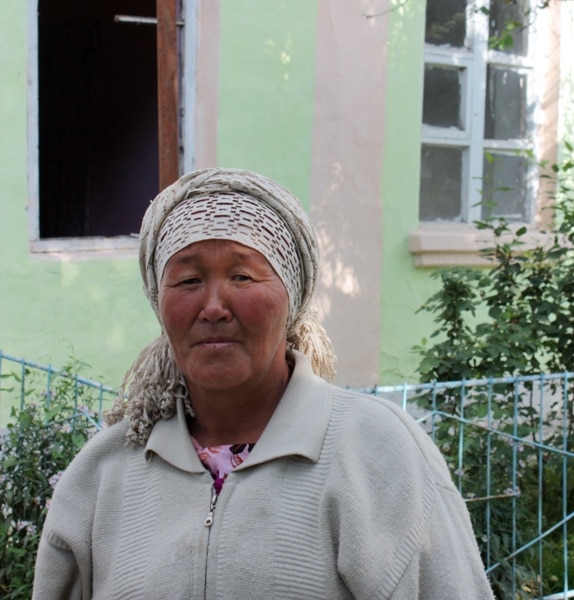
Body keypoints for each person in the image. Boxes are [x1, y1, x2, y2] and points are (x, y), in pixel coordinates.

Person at [33, 167, 494, 599]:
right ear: (159, 301)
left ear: (291, 298)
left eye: (242, 276)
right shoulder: (103, 475)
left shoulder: (376, 453)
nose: (214, 307)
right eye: (188, 280)